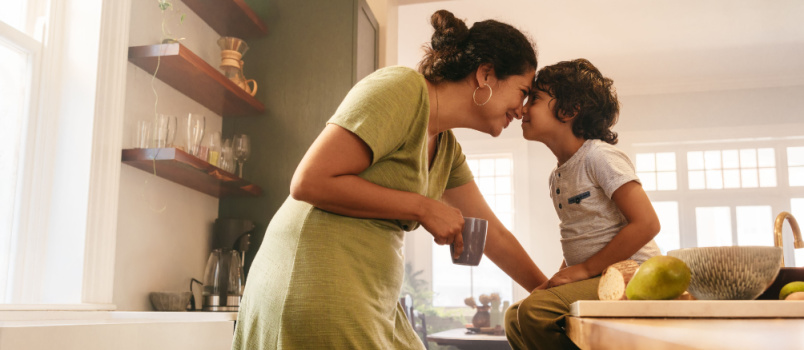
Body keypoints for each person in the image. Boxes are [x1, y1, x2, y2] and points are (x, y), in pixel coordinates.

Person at [232, 10, 548, 350]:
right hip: (315, 280)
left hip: (370, 295)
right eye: (523, 91)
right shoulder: (402, 89)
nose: (522, 110)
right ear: (486, 74)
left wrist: (551, 296)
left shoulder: (447, 149)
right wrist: (423, 208)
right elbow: (309, 181)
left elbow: (493, 233)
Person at [504, 59, 662, 350]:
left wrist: (585, 269)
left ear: (569, 110)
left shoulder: (599, 157)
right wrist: (562, 276)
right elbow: (580, 236)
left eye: (535, 98)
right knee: (514, 316)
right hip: (597, 273)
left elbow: (648, 223)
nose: (523, 109)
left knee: (536, 312)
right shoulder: (558, 176)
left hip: (634, 274)